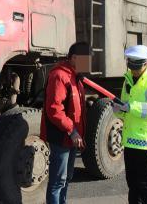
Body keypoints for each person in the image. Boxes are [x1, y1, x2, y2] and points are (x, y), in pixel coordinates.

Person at [113, 45, 147, 204]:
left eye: (137, 67)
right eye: (131, 66)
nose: (134, 70)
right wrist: (119, 109)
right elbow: (126, 107)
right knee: (132, 183)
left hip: (144, 141)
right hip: (129, 139)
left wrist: (131, 107)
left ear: (146, 64)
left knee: (145, 183)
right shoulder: (128, 80)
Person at [40, 42, 90, 204]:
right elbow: (54, 109)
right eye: (86, 59)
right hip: (61, 136)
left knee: (66, 178)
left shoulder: (75, 76)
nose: (88, 63)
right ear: (74, 58)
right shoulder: (59, 76)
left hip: (71, 137)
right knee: (58, 181)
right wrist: (72, 130)